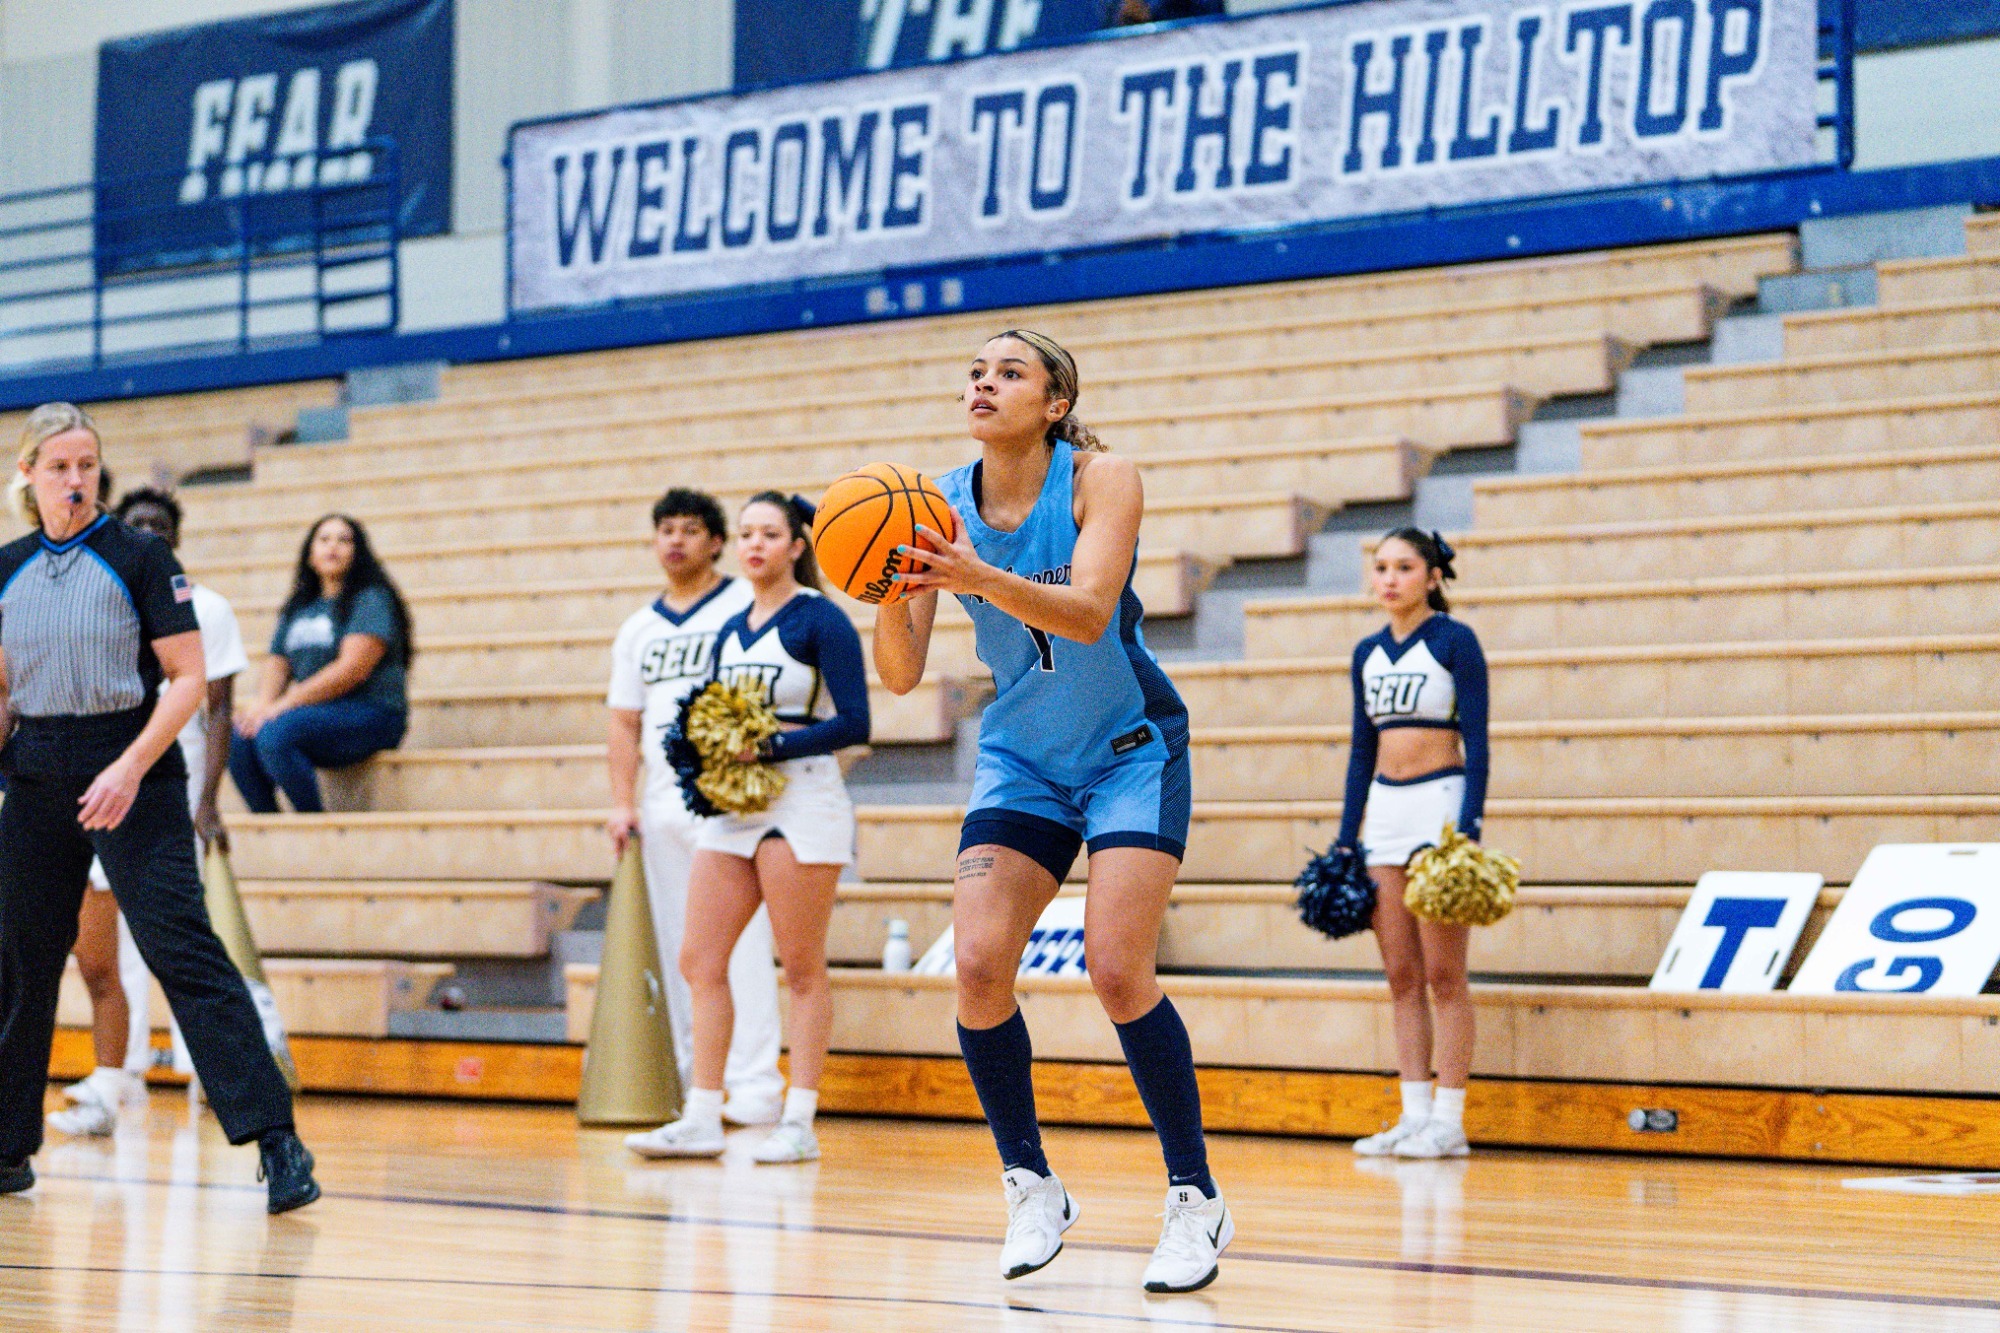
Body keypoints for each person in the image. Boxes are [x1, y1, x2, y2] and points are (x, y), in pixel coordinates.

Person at [874, 331, 1231, 1294]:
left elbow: (1085, 608)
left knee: (1118, 968)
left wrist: (970, 576)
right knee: (981, 966)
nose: (984, 384)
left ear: (1057, 401)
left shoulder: (1101, 477)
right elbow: (902, 678)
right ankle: (1030, 1180)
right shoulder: (932, 502)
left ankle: (1195, 1198)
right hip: (1023, 758)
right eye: (975, 372)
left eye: (1010, 372)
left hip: (1129, 748)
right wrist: (883, 586)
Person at [0, 402, 316, 1212]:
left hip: (133, 762)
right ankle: (7, 1146)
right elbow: (4, 694)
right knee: (18, 958)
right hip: (35, 766)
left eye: (87, 464)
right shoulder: (5, 566)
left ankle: (276, 1142)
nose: (76, 478)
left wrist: (130, 766)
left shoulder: (141, 556)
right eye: (60, 465)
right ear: (29, 473)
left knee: (181, 948)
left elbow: (187, 680)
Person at [625, 492, 868, 1166]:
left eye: (769, 533)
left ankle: (799, 1117)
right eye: (746, 534)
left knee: (800, 966)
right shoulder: (730, 628)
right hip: (735, 808)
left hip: (804, 804)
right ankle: (704, 1111)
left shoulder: (823, 621)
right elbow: (707, 711)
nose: (754, 544)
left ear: (797, 545)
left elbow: (855, 722)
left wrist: (768, 748)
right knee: (700, 958)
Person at [47, 486, 250, 1138]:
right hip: (102, 791)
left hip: (170, 788)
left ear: (173, 534)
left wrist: (209, 799)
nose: (146, 533)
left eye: (158, 525)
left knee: (181, 947)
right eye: (136, 523)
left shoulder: (207, 607)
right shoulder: (91, 604)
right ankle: (118, 1076)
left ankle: (210, 1078)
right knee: (104, 956)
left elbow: (218, 710)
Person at [605, 487, 787, 1128]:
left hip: (733, 801)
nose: (675, 540)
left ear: (717, 541)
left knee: (743, 945)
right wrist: (620, 802)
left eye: (690, 529)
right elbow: (624, 723)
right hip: (661, 804)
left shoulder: (745, 602)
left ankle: (756, 1087)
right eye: (665, 530)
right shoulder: (638, 628)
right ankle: (697, 1084)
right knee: (686, 949)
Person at [1338, 529, 1489, 1161]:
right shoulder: (1366, 652)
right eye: (1381, 567)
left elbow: (1478, 742)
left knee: (1444, 973)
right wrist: (1349, 837)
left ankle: (1449, 1121)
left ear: (1432, 577)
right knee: (1401, 974)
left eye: (1405, 567)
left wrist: (1469, 829)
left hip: (1440, 808)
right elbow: (1360, 750)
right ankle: (1413, 1113)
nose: (1390, 578)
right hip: (1388, 817)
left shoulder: (1455, 641)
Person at [230, 513, 411, 813]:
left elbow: (351, 670)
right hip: (316, 713)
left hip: (374, 712)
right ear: (311, 554)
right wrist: (262, 705)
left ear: (358, 553)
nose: (333, 547)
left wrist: (283, 705)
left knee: (277, 734)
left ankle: (312, 824)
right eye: (324, 539)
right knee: (238, 737)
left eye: (344, 540)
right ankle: (270, 825)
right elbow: (278, 663)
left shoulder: (371, 599)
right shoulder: (299, 606)